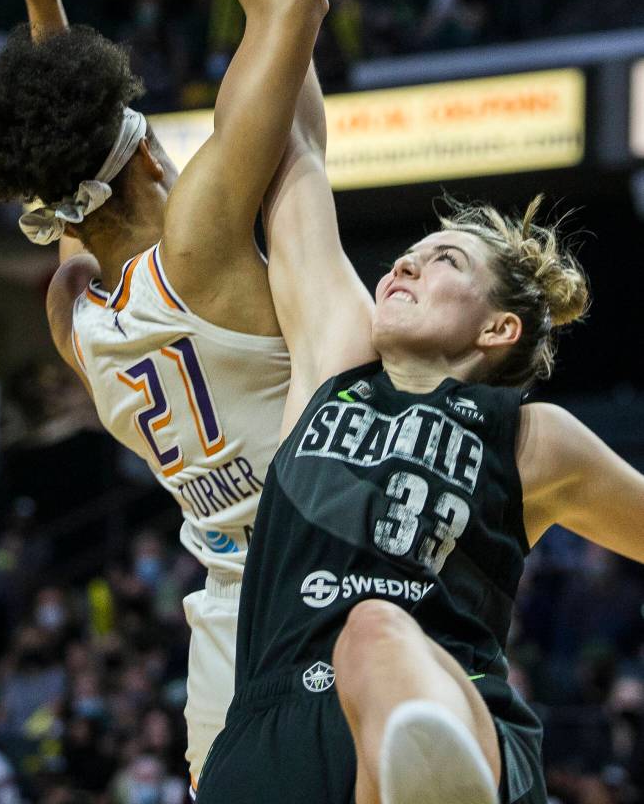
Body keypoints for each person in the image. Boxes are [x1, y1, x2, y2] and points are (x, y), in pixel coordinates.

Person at [0, 0, 327, 792]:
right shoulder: (199, 243)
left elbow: (73, 167)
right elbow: (297, 6)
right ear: (143, 168)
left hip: (224, 629)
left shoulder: (75, 315)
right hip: (329, 585)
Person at [196, 149, 644, 798]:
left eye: (445, 261)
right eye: (410, 253)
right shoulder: (331, 370)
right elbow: (291, 144)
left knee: (373, 629)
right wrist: (292, 38)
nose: (405, 263)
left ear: (498, 326)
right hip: (270, 732)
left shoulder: (528, 436)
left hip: (448, 698)